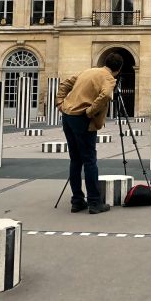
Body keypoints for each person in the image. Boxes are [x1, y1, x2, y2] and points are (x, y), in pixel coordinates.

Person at [56, 53, 123, 214]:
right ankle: (94, 202)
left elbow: (65, 84)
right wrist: (90, 111)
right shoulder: (109, 78)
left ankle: (77, 201)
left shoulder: (87, 71)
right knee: (89, 160)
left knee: (75, 160)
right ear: (118, 69)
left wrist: (60, 102)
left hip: (67, 116)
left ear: (105, 62)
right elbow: (106, 95)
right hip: (82, 118)